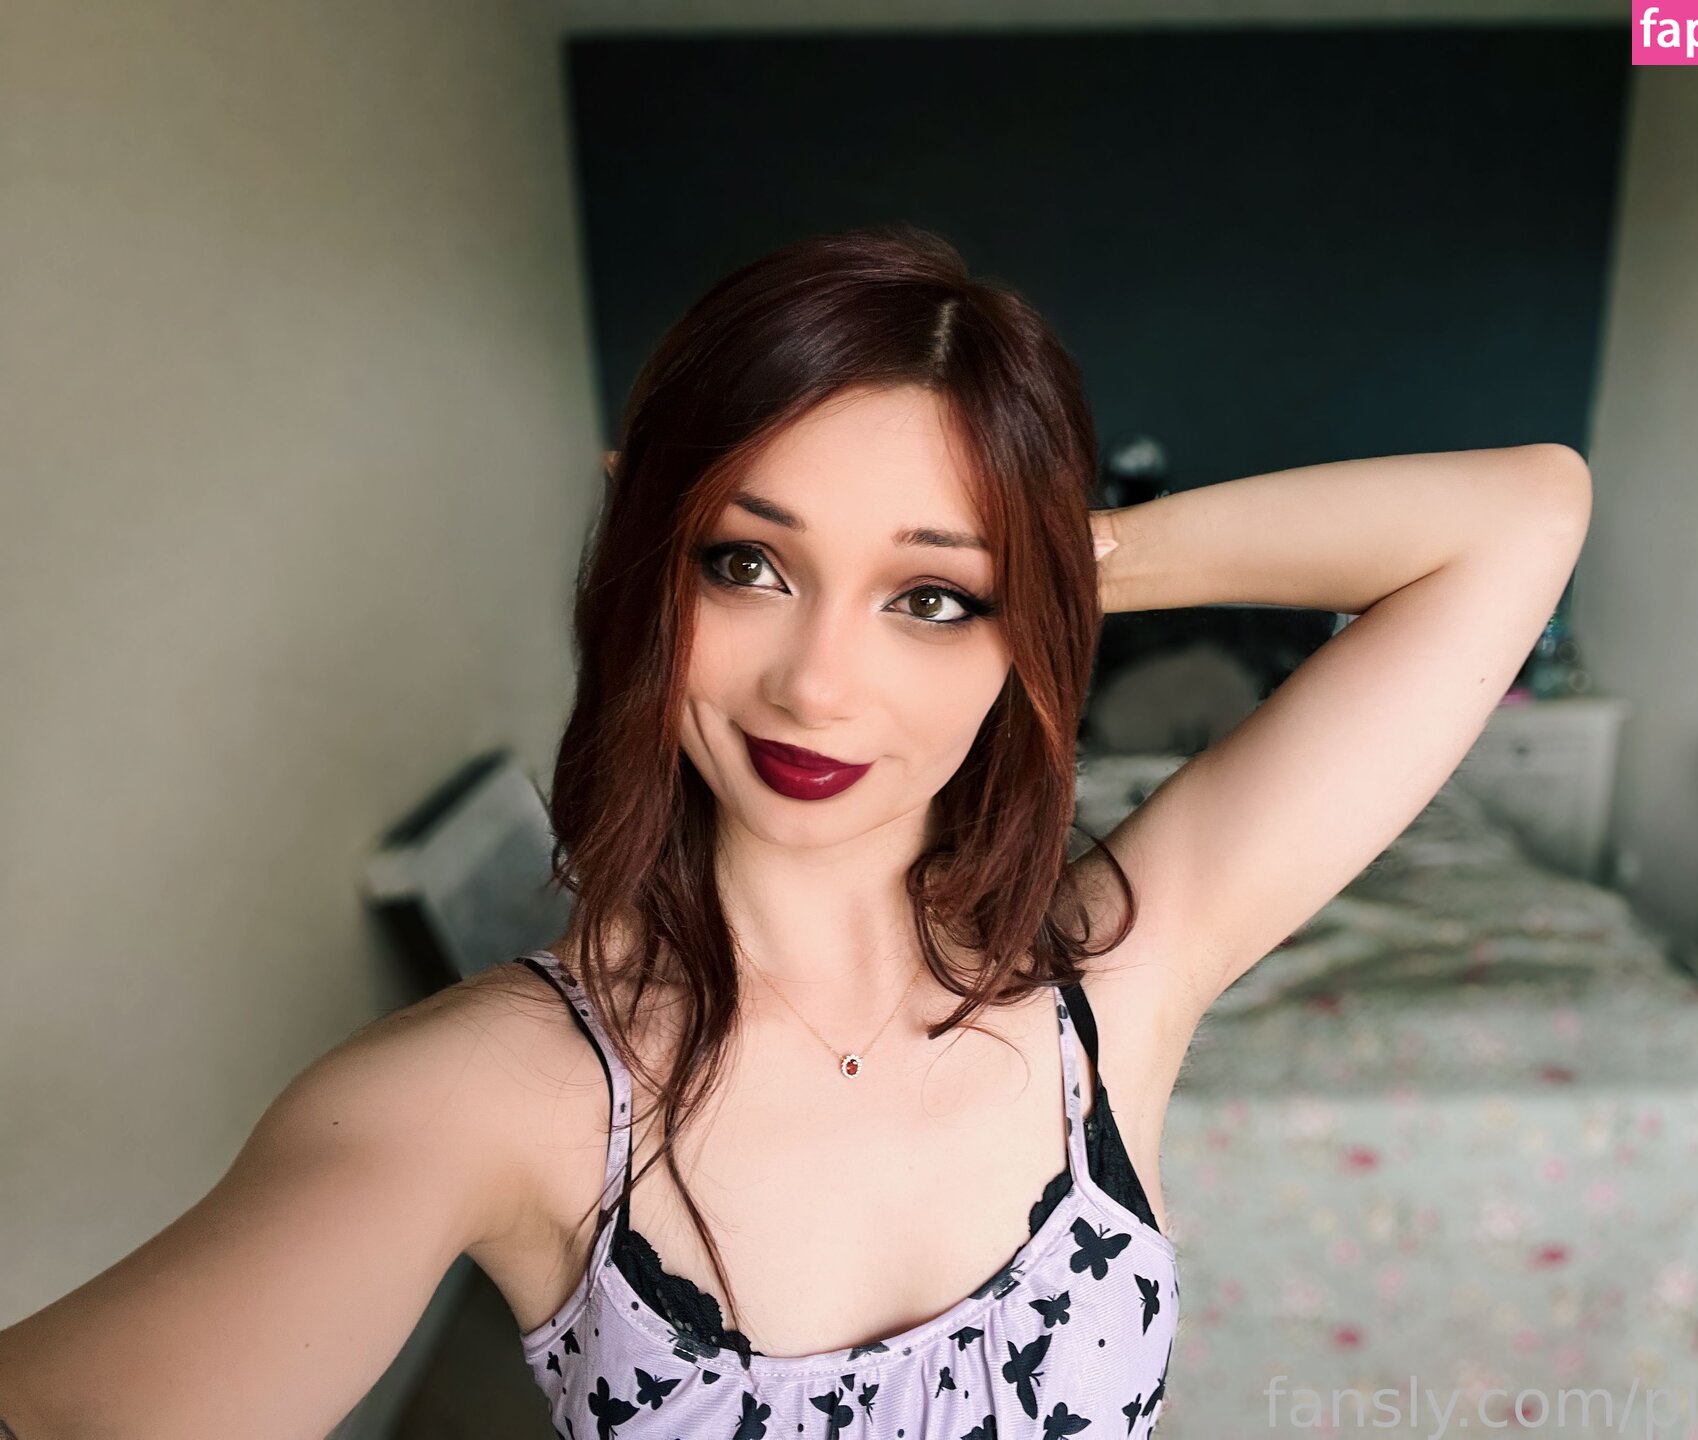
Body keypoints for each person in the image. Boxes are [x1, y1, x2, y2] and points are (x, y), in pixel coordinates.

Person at [0, 223, 1591, 1439]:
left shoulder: (1116, 984)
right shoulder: (490, 1098)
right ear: (650, 570)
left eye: (931, 598)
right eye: (744, 565)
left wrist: (1055, 558)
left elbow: (1524, 514)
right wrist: (961, 566)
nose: (818, 684)